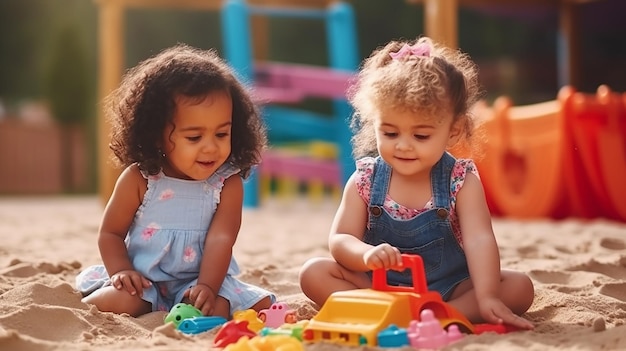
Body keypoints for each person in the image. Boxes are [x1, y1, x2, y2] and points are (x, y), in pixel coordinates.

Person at [298, 37, 534, 330]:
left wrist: (485, 295)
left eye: (420, 136)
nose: (404, 146)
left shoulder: (460, 180)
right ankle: (396, 313)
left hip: (445, 288)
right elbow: (341, 239)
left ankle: (438, 313)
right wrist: (366, 255)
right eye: (390, 133)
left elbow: (479, 240)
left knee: (519, 287)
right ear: (375, 123)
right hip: (375, 287)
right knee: (314, 273)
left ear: (453, 130)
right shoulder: (366, 179)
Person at [76, 44, 274, 318]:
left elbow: (221, 239)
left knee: (216, 307)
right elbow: (110, 233)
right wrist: (122, 271)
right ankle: (86, 305)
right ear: (156, 134)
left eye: (221, 134)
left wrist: (207, 286)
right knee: (121, 301)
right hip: (143, 281)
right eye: (194, 137)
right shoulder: (140, 179)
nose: (210, 148)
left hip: (198, 281)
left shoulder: (226, 183)